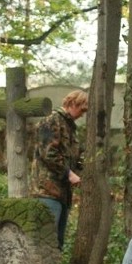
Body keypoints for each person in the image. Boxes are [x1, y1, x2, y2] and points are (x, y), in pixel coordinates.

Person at [30, 89, 88, 250]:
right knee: (45, 241)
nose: (82, 114)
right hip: (46, 191)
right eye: (81, 109)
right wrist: (69, 174)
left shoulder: (71, 128)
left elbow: (75, 157)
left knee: (57, 243)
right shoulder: (51, 121)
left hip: (63, 193)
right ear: (72, 103)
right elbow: (48, 153)